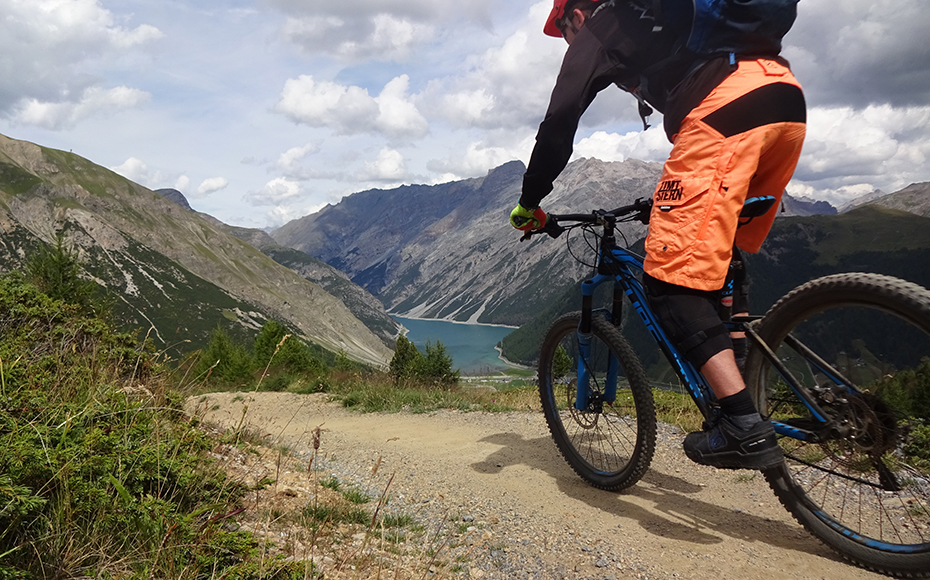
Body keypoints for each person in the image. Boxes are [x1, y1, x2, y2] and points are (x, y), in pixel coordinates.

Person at [509, 0, 806, 470]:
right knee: (722, 259)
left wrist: (530, 202)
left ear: (575, 16)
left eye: (562, 30)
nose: (566, 41)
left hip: (726, 111)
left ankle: (742, 424)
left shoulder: (603, 23)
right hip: (783, 99)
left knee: (668, 283)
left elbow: (561, 116)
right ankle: (748, 378)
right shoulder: (666, 24)